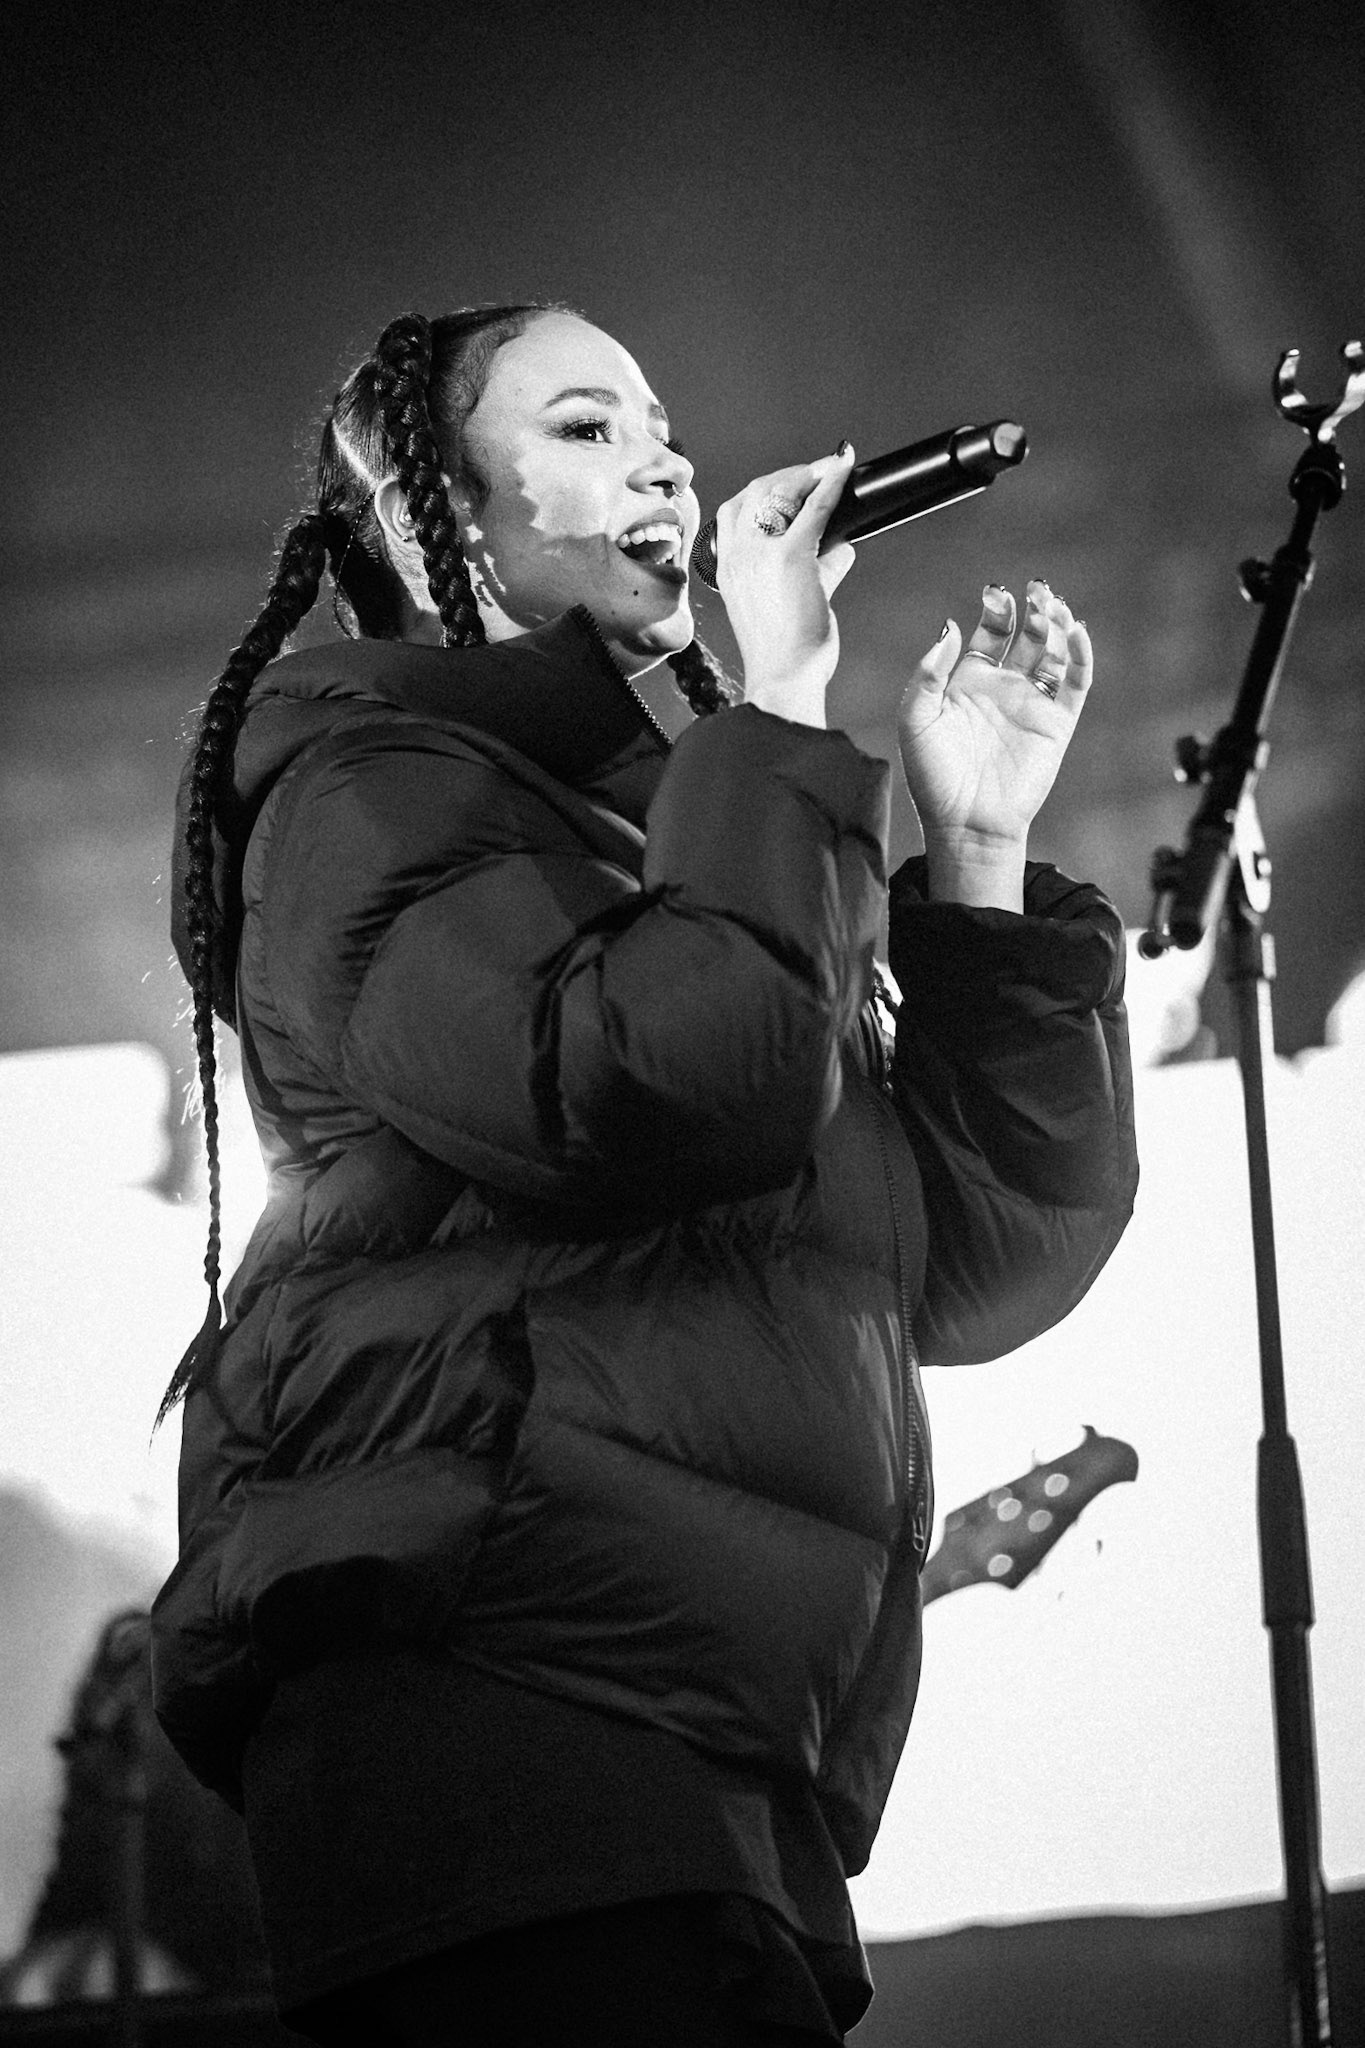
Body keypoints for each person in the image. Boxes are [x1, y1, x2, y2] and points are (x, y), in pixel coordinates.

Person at [150, 302, 1137, 2047]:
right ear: (423, 511)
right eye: (589, 427)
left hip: (710, 1737)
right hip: (501, 1708)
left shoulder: (675, 837)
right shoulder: (362, 788)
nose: (666, 458)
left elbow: (970, 1266)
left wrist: (974, 861)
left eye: (665, 426)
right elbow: (664, 1093)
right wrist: (778, 711)